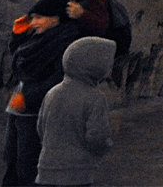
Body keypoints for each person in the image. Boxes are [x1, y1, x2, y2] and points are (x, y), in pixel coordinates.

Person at [4, 0, 82, 186]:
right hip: (21, 108)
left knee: (30, 165)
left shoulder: (66, 41)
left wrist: (27, 98)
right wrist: (17, 33)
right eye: (32, 18)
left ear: (55, 18)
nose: (34, 22)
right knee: (13, 159)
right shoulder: (38, 37)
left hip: (38, 112)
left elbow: (60, 79)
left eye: (39, 17)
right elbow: (21, 57)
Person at [35, 37, 115, 187]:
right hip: (77, 172)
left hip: (46, 169)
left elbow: (40, 128)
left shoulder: (52, 93)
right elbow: (97, 136)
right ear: (94, 66)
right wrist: (105, 146)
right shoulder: (95, 98)